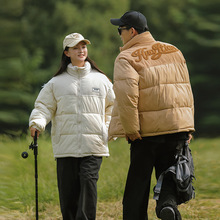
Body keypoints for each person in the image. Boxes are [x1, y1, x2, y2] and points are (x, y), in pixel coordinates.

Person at [109, 11, 195, 220]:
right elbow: (186, 89)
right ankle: (167, 207)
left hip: (146, 132)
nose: (119, 34)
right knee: (169, 175)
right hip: (177, 127)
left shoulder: (125, 58)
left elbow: (128, 97)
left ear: (132, 31)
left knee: (137, 183)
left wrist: (131, 130)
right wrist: (188, 125)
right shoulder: (174, 50)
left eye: (120, 30)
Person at [29, 33, 115, 220]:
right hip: (65, 148)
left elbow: (113, 107)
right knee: (68, 194)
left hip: (93, 145)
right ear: (67, 52)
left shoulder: (101, 80)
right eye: (75, 48)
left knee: (88, 184)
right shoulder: (55, 83)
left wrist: (106, 128)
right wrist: (37, 123)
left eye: (83, 47)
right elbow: (43, 107)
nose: (81, 51)